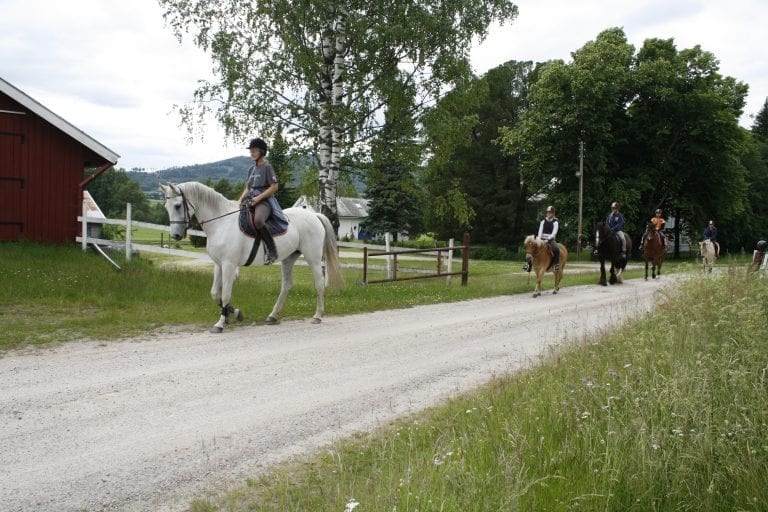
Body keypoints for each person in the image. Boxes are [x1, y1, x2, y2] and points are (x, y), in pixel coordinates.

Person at [238, 137, 281, 264]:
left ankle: (272, 251)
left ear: (262, 152)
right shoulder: (251, 169)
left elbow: (274, 187)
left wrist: (258, 198)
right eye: (251, 151)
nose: (251, 153)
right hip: (251, 199)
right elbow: (248, 188)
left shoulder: (268, 167)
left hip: (264, 201)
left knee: (258, 220)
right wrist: (239, 201)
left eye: (254, 151)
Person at [537, 205, 561, 271]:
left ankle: (556, 265)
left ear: (553, 213)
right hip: (541, 238)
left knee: (556, 249)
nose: (548, 214)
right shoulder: (543, 221)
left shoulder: (555, 222)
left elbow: (554, 233)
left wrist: (547, 240)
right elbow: (540, 231)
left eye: (550, 212)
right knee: (532, 246)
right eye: (547, 212)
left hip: (550, 239)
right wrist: (539, 239)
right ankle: (528, 264)